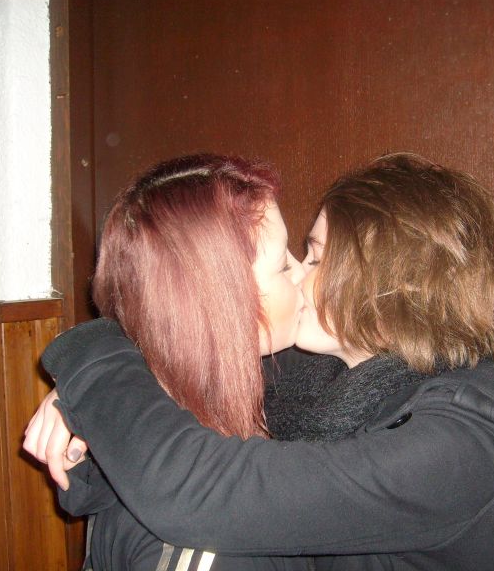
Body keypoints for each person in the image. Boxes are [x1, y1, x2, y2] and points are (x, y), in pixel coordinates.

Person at [25, 153, 494, 571]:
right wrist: (89, 400)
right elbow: (165, 406)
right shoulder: (319, 381)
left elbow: (195, 491)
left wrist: (93, 354)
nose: (297, 274)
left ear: (396, 283)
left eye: (316, 257)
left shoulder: (460, 449)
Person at [37, 153, 307, 570]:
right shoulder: (202, 541)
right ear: (221, 304)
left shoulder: (261, 387)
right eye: (283, 265)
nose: (303, 272)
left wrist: (86, 381)